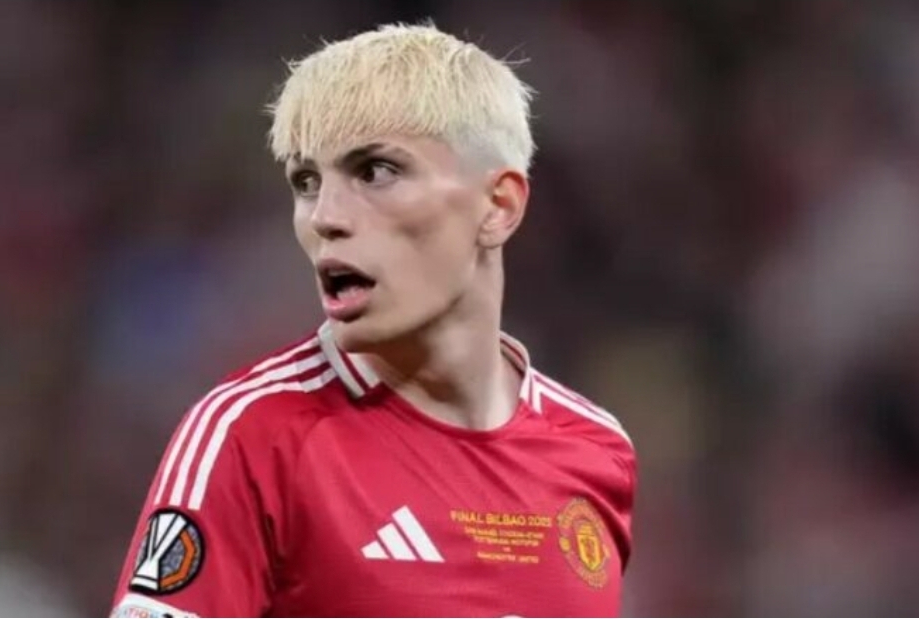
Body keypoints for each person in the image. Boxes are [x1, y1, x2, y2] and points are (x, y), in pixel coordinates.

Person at [110, 22, 637, 618]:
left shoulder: (598, 449)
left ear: (498, 206)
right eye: (306, 182)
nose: (324, 216)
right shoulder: (251, 433)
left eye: (376, 171)